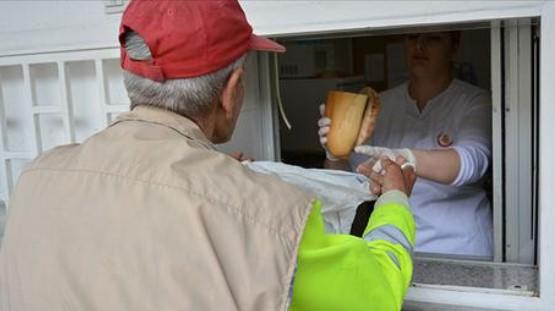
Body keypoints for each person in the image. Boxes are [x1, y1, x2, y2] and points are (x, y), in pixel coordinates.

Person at [0, 1, 417, 310]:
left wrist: (221, 185)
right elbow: (374, 293)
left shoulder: (36, 178)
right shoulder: (268, 215)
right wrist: (394, 200)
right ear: (232, 90)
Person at [319, 31, 493, 258]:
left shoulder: (474, 101)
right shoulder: (381, 104)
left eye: (433, 38)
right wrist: (334, 154)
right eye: (412, 38)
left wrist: (405, 157)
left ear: (454, 46)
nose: (419, 47)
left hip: (460, 246)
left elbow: (472, 162)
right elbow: (350, 181)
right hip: (393, 246)